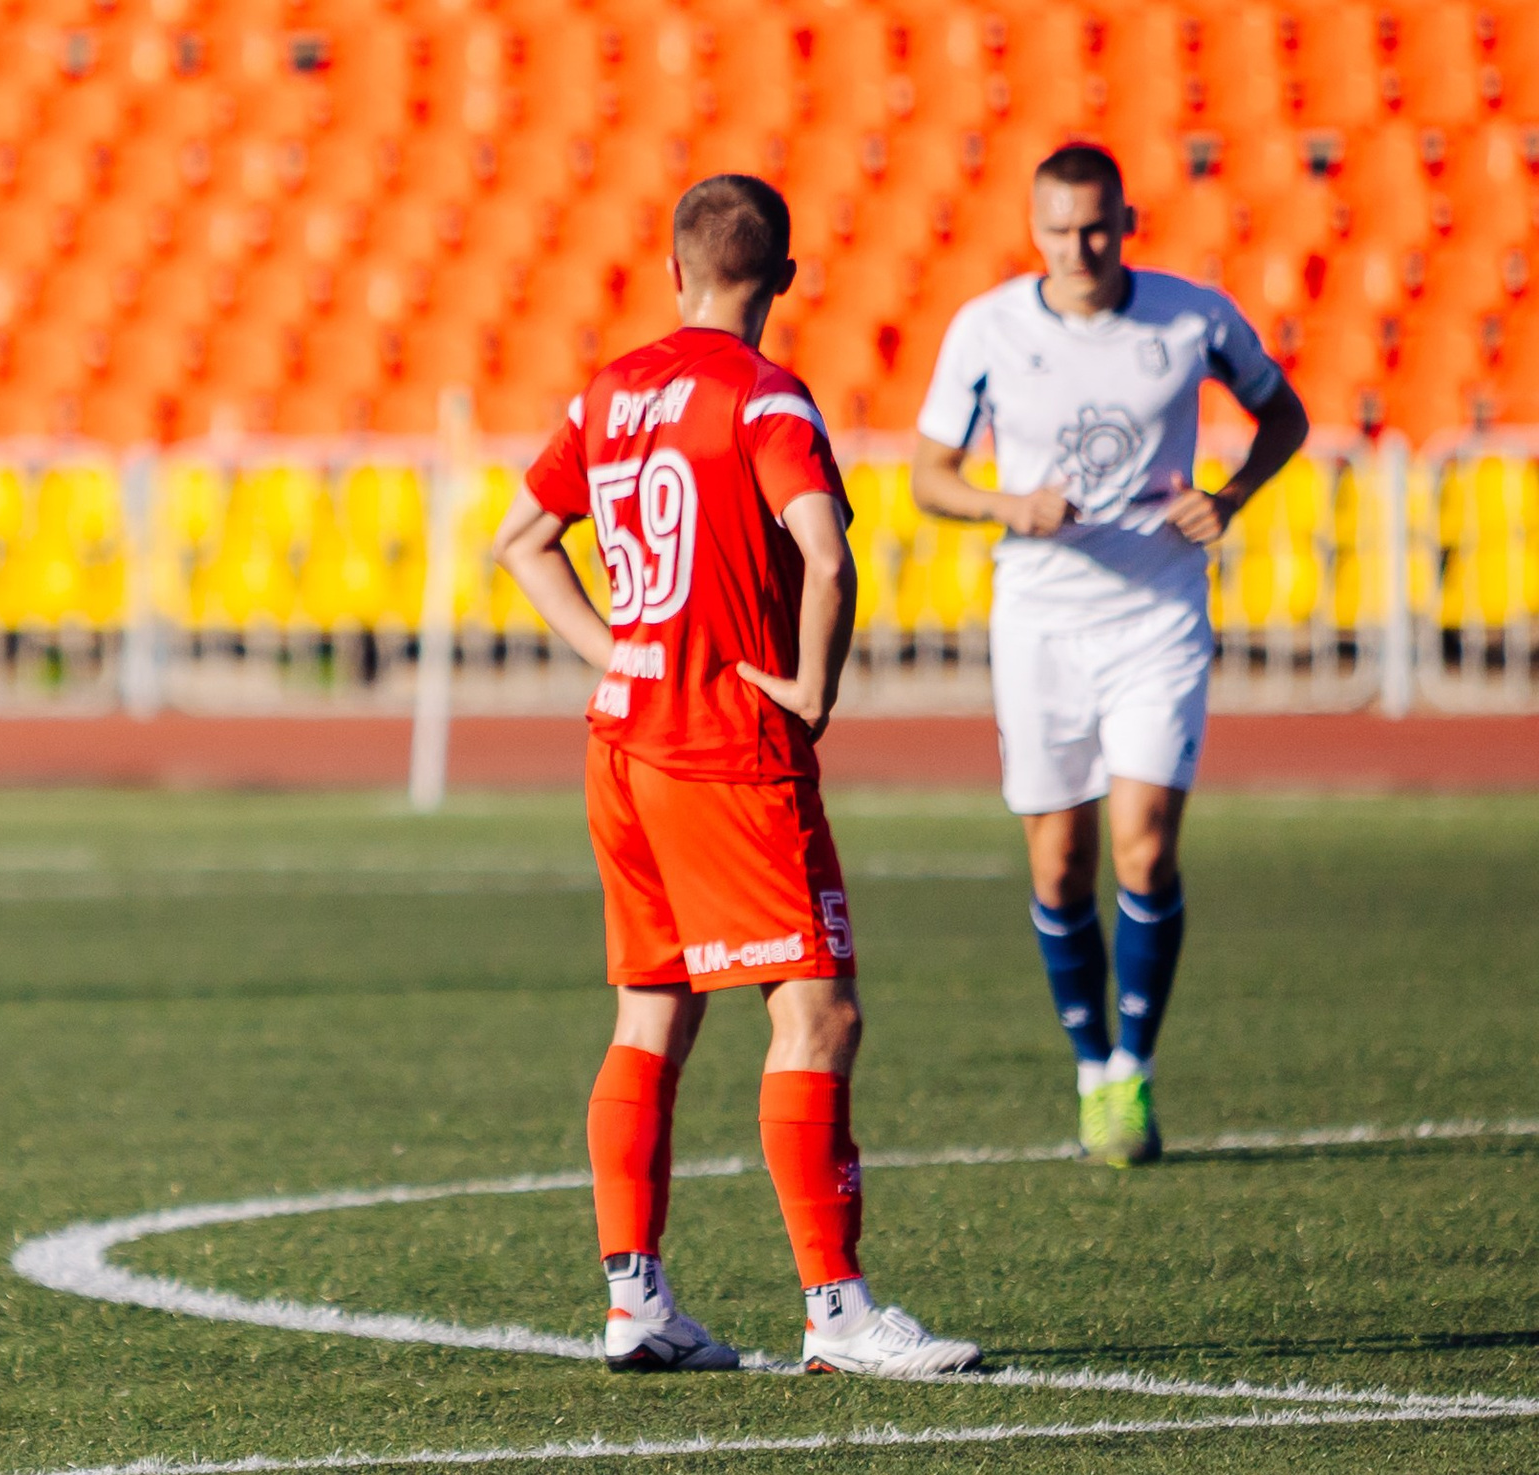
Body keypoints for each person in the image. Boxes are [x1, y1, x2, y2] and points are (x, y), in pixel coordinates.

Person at [493, 175, 981, 1380]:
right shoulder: (761, 394)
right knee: (816, 1013)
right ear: (785, 278)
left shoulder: (608, 391)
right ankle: (836, 1309)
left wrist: (619, 647)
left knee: (651, 1010)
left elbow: (519, 539)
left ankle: (634, 1298)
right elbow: (823, 548)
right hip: (724, 746)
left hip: (621, 737)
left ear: (675, 272)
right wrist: (813, 685)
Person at [911, 144, 1309, 1166]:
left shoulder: (1190, 317)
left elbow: (1283, 413)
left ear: (1125, 220)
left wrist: (1227, 496)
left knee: (1144, 843)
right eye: (1057, 228)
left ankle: (1129, 1066)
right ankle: (1086, 1062)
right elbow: (927, 477)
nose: (1077, 247)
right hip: (1039, 617)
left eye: (1094, 226)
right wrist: (1008, 505)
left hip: (1158, 612)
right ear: (1031, 227)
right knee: (1059, 864)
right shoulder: (987, 329)